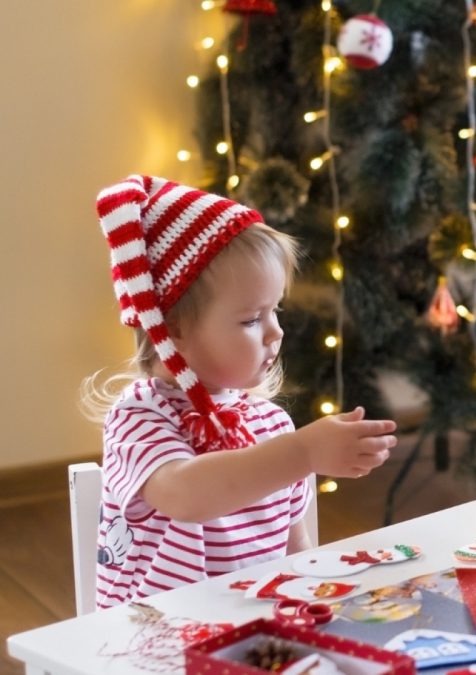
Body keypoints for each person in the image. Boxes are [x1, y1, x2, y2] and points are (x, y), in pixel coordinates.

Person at [83, 175, 397, 609]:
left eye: (276, 311)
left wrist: (318, 601)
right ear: (173, 330)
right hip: (154, 641)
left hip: (248, 630)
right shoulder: (139, 417)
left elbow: (293, 549)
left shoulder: (271, 424)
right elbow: (185, 495)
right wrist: (302, 453)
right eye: (252, 319)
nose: (276, 332)